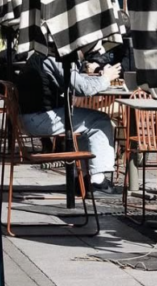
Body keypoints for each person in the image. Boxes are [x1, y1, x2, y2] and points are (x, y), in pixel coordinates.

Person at [17, 51, 122, 193]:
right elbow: (81, 88)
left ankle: (83, 178)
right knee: (100, 120)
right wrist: (105, 78)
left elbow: (76, 81)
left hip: (31, 117)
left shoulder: (43, 55)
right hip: (39, 118)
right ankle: (97, 181)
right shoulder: (54, 58)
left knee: (85, 123)